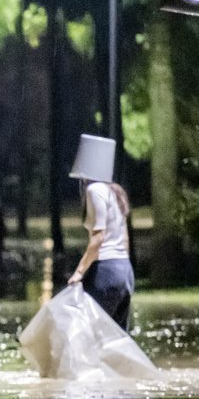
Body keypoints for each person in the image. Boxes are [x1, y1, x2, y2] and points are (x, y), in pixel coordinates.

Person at [65, 133, 134, 330]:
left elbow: (99, 237)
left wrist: (79, 272)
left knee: (88, 332)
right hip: (124, 271)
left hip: (105, 271)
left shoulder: (94, 190)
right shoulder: (115, 191)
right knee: (116, 337)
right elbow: (124, 239)